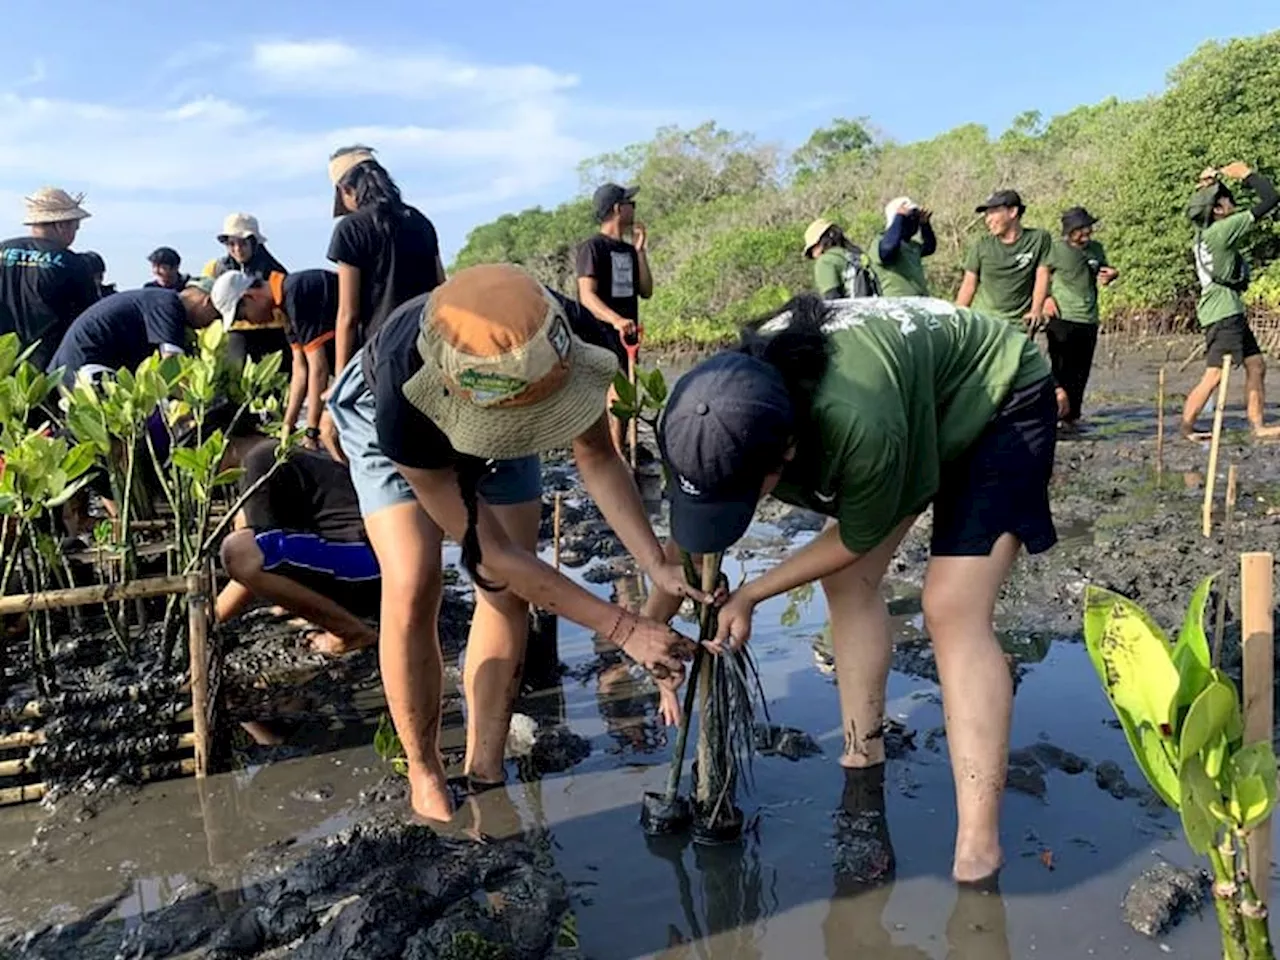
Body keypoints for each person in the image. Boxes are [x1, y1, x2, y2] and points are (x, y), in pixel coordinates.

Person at [647, 294, 1057, 885]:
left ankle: (978, 849)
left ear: (787, 456)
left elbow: (859, 535)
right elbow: (688, 542)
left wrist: (754, 592)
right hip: (909, 399)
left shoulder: (856, 424)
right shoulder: (703, 412)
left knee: (951, 607)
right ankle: (861, 761)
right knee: (845, 586)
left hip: (994, 398)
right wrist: (645, 628)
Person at [322, 263, 708, 822]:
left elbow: (597, 455)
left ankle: (485, 767)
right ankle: (426, 768)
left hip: (513, 394)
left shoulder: (557, 336)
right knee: (413, 583)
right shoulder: (403, 397)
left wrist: (655, 564)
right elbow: (493, 551)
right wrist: (624, 628)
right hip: (402, 409)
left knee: (506, 597)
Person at [216, 443, 379, 656]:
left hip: (366, 568)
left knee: (239, 551)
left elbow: (255, 559)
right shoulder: (284, 450)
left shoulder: (256, 461)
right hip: (377, 562)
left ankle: (351, 633)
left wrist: (211, 615)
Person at [1181, 162, 1280, 440]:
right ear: (1218, 209)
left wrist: (1207, 184)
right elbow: (1271, 199)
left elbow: (1199, 205)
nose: (1232, 205)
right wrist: (1247, 175)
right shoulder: (1223, 230)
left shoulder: (1204, 232)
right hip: (1222, 314)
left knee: (1256, 364)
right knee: (1214, 375)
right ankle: (1187, 427)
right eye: (1227, 200)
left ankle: (1258, 426)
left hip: (1226, 310)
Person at [326, 145, 445, 375]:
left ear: (346, 189)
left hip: (384, 354)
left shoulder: (351, 229)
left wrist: (341, 377)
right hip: (428, 350)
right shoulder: (420, 221)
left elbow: (348, 315)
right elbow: (441, 290)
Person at [211, 269, 339, 447]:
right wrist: (287, 426)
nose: (249, 322)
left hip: (370, 351)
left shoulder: (296, 291)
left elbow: (318, 369)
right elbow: (300, 370)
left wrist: (311, 432)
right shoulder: (284, 309)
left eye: (243, 316)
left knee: (329, 431)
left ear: (250, 296)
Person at [575, 183, 653, 454]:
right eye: (631, 203)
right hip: (601, 335)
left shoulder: (629, 252)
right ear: (619, 209)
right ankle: (617, 456)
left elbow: (646, 291)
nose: (635, 208)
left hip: (628, 337)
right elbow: (587, 296)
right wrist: (616, 320)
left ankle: (624, 451)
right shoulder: (592, 248)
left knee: (627, 395)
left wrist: (640, 252)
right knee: (617, 396)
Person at [0, 187, 99, 371]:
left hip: (3, 361)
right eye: (75, 226)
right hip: (48, 365)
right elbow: (90, 317)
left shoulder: (2, 249)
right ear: (61, 225)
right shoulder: (72, 263)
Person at [48, 280, 219, 384]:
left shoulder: (160, 301)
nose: (210, 324)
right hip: (82, 368)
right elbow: (171, 366)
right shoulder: (169, 306)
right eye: (215, 316)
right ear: (206, 302)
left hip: (72, 367)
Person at [1043, 207, 1118, 427]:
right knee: (1060, 368)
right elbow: (1040, 274)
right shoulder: (1054, 249)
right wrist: (1046, 298)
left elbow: (1103, 272)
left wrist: (1112, 274)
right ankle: (1053, 414)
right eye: (1081, 229)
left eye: (1089, 227)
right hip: (1062, 316)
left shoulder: (1096, 249)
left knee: (1081, 371)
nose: (1087, 232)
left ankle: (1072, 417)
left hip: (1089, 317)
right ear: (1069, 231)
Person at [956, 190, 1051, 330]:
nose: (988, 219)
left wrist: (1036, 310)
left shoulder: (1039, 239)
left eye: (993, 212)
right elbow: (969, 285)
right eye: (986, 214)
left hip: (1019, 324)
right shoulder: (982, 245)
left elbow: (1042, 275)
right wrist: (956, 317)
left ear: (1013, 212)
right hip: (985, 323)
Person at [870, 196, 936, 297]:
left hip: (918, 305)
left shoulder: (912, 246)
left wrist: (925, 225)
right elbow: (888, 250)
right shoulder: (880, 241)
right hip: (895, 307)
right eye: (910, 217)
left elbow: (930, 247)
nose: (913, 221)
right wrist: (899, 216)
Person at [803, 219, 879, 299]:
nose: (813, 255)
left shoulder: (825, 261)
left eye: (812, 249)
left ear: (819, 243)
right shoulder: (856, 254)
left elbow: (832, 298)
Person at [209, 213, 288, 281]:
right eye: (231, 244)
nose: (237, 249)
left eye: (243, 243)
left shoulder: (275, 275)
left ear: (254, 244)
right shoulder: (218, 270)